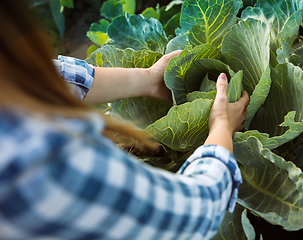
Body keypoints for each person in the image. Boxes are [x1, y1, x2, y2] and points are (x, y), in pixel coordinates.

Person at [0, 1, 249, 240]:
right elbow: (197, 210)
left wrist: (150, 79)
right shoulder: (42, 162)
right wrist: (221, 127)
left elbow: (43, 79)